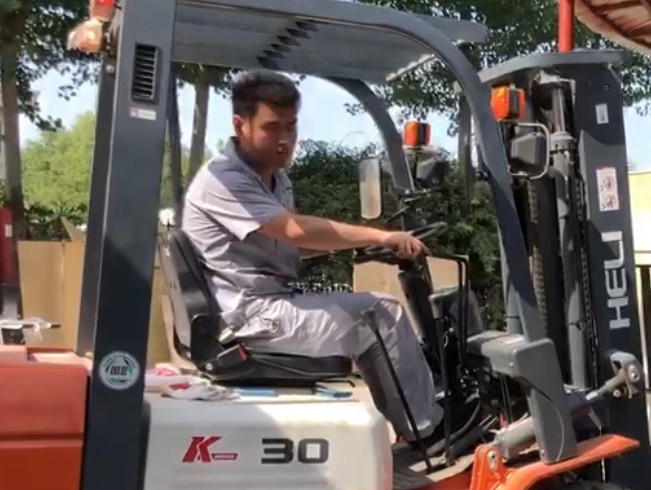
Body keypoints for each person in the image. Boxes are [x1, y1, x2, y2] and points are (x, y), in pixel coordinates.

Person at [180, 69, 457, 452]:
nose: (285, 139)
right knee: (382, 314)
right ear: (240, 125)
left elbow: (286, 245)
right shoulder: (224, 178)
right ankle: (429, 431)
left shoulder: (273, 178)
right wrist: (381, 236)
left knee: (372, 316)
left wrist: (357, 248)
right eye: (272, 127)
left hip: (262, 307)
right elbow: (295, 231)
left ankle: (412, 423)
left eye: (291, 126)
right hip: (250, 317)